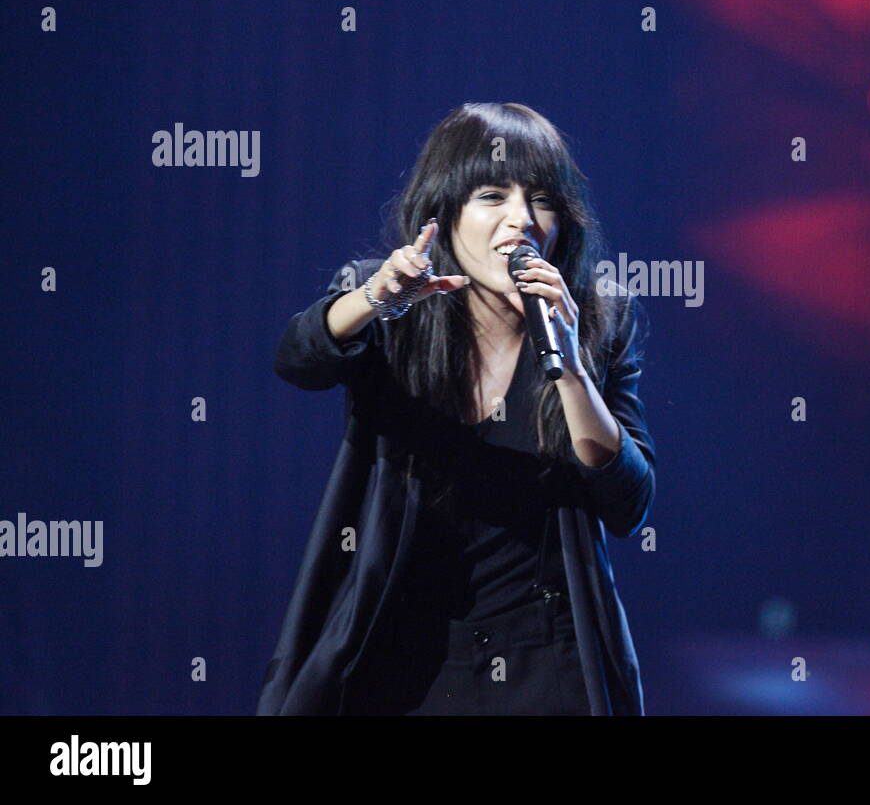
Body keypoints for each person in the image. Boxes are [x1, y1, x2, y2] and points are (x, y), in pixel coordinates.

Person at [257, 102, 655, 715]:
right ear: (443, 212)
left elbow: (627, 504)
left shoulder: (598, 318)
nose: (520, 220)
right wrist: (373, 300)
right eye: (492, 196)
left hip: (546, 656)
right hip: (400, 643)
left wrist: (573, 368)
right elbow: (297, 360)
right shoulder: (393, 309)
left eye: (541, 200)